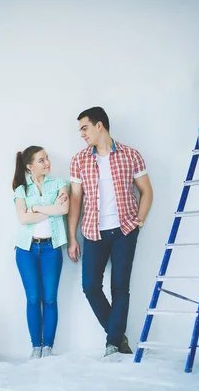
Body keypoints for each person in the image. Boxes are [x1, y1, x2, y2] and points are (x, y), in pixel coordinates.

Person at [67, 107, 153, 359]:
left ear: (99, 125)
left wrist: (139, 222)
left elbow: (146, 191)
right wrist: (73, 237)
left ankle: (113, 344)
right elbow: (75, 200)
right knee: (90, 286)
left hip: (125, 230)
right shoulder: (79, 159)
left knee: (120, 288)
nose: (82, 134)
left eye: (84, 127)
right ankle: (117, 337)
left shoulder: (131, 155)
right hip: (93, 231)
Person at [12, 145, 69, 360]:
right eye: (41, 160)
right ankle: (36, 346)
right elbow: (23, 219)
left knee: (50, 299)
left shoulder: (60, 184)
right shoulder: (21, 190)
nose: (47, 163)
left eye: (47, 158)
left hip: (51, 248)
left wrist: (35, 208)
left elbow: (63, 210)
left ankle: (48, 347)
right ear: (29, 166)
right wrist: (49, 207)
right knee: (33, 299)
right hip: (26, 249)